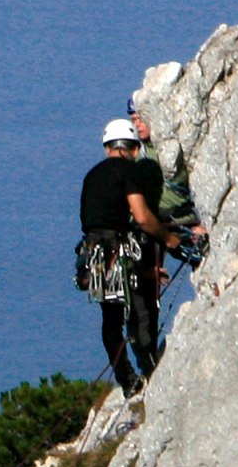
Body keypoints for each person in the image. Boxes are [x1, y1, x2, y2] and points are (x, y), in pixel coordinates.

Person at [79, 118, 193, 396]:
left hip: (94, 255)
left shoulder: (92, 175)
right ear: (133, 147)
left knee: (111, 318)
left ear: (108, 147)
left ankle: (127, 380)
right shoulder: (129, 171)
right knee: (141, 308)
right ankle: (150, 367)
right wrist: (169, 238)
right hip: (121, 250)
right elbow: (141, 217)